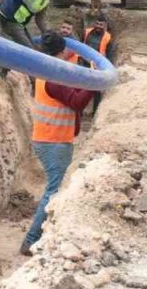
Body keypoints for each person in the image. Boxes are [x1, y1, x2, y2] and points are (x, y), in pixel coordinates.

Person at [21, 31, 96, 256]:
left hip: (51, 138)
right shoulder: (53, 78)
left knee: (54, 188)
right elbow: (77, 102)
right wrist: (94, 80)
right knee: (53, 191)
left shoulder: (47, 70)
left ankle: (37, 237)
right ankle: (31, 241)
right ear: (63, 51)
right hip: (53, 141)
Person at [81, 16, 116, 117]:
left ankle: (95, 113)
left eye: (101, 25)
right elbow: (80, 46)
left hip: (98, 68)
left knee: (96, 91)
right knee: (82, 88)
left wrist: (106, 69)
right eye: (97, 23)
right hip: (85, 64)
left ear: (105, 26)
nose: (98, 26)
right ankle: (80, 111)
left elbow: (109, 55)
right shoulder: (87, 32)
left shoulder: (108, 37)